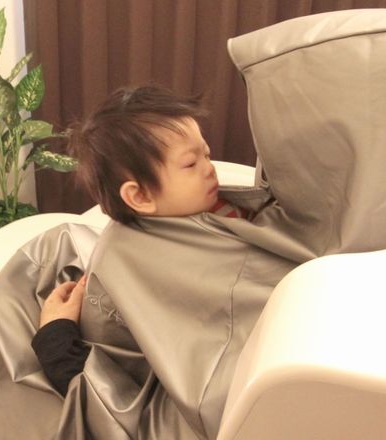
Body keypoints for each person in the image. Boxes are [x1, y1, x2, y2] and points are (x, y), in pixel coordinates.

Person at [32, 85, 250, 396]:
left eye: (207, 154)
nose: (210, 169)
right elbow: (111, 392)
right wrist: (55, 337)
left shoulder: (219, 208)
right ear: (140, 196)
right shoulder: (132, 267)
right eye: (191, 164)